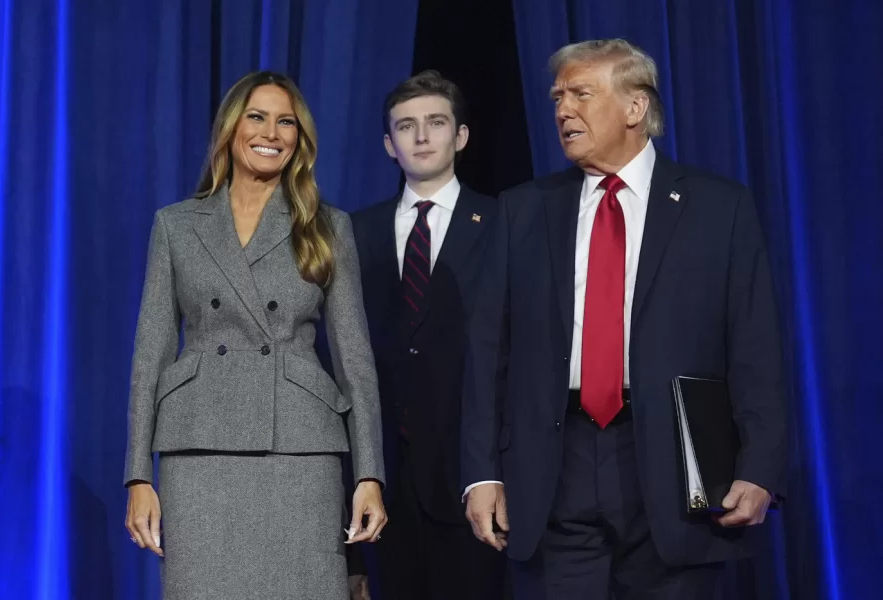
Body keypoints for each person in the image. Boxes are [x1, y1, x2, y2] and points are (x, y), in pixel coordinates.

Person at [462, 39, 786, 599]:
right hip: (554, 464)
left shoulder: (719, 207)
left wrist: (760, 466)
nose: (563, 110)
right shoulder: (523, 209)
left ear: (636, 108)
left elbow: (754, 348)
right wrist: (482, 472)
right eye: (558, 97)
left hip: (674, 467)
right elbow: (489, 348)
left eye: (581, 94)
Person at [123, 71, 387, 600]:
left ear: (300, 138)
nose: (272, 132)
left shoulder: (326, 226)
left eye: (286, 121)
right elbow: (150, 355)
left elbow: (355, 359)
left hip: (299, 449)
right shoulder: (176, 225)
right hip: (198, 451)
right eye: (258, 117)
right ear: (230, 128)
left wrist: (370, 475)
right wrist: (137, 476)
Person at [351, 70, 507, 599]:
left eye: (436, 123)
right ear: (388, 145)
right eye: (406, 126)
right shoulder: (351, 232)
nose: (421, 136)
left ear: (460, 136)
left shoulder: (505, 224)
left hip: (475, 479)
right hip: (384, 484)